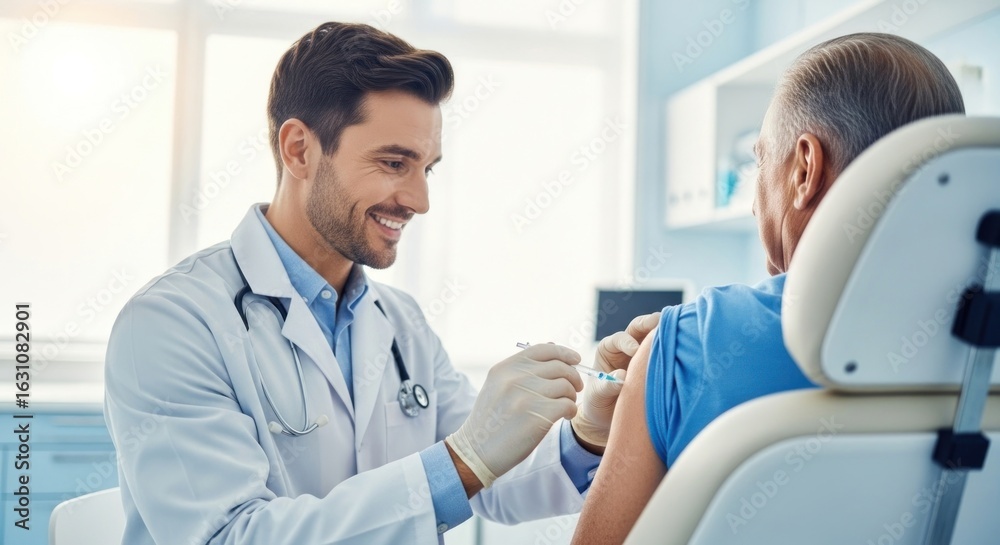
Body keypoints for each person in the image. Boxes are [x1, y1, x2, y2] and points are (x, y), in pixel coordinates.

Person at [104, 22, 658, 545]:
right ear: (299, 149)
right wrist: (463, 459)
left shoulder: (399, 322)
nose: (419, 200)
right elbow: (230, 536)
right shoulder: (172, 323)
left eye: (427, 168)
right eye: (395, 163)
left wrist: (590, 428)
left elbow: (494, 476)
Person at [571, 32, 966, 545]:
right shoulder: (980, 346)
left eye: (760, 161)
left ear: (805, 168)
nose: (755, 202)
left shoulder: (688, 346)